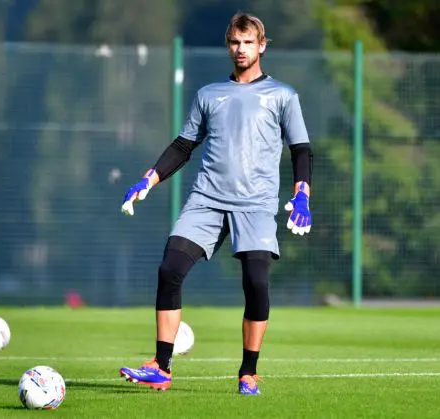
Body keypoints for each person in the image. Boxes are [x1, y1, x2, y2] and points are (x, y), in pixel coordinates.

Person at [118, 13, 313, 395]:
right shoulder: (209, 94)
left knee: (256, 283)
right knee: (169, 269)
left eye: (247, 42)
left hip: (256, 204)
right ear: (229, 45)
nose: (240, 49)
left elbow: (301, 150)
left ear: (262, 45)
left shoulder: (283, 96)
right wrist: (149, 179)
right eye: (234, 42)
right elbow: (183, 146)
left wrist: (302, 192)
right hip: (206, 199)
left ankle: (248, 372)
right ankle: (161, 365)